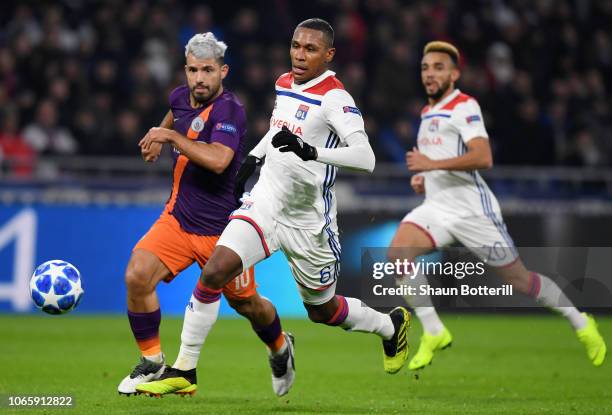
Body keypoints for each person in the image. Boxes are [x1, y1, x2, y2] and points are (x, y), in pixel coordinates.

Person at [137, 18, 411, 397]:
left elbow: (366, 158)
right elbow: (280, 128)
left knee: (323, 311)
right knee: (215, 271)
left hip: (308, 220)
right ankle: (185, 369)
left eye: (310, 49)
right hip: (265, 203)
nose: (300, 55)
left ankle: (389, 326)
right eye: (296, 45)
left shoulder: (335, 98)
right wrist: (254, 155)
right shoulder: (285, 82)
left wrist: (312, 152)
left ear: (328, 55)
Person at [390, 40, 607, 370]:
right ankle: (434, 330)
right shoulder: (427, 112)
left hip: (473, 212)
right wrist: (425, 178)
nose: (430, 74)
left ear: (455, 74)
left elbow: (483, 157)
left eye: (438, 67)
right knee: (398, 254)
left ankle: (580, 322)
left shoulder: (465, 106)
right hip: (437, 207)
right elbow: (438, 160)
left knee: (520, 281)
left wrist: (431, 166)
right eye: (425, 68)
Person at [118, 32, 294, 397]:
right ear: (185, 70)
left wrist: (170, 139)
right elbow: (173, 116)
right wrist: (157, 137)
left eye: (208, 70)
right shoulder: (180, 97)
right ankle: (152, 363)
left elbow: (219, 160)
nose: (199, 78)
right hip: (178, 220)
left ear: (223, 71)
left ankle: (279, 345)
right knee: (137, 276)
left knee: (248, 305)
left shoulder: (231, 110)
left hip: (224, 233)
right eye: (194, 70)